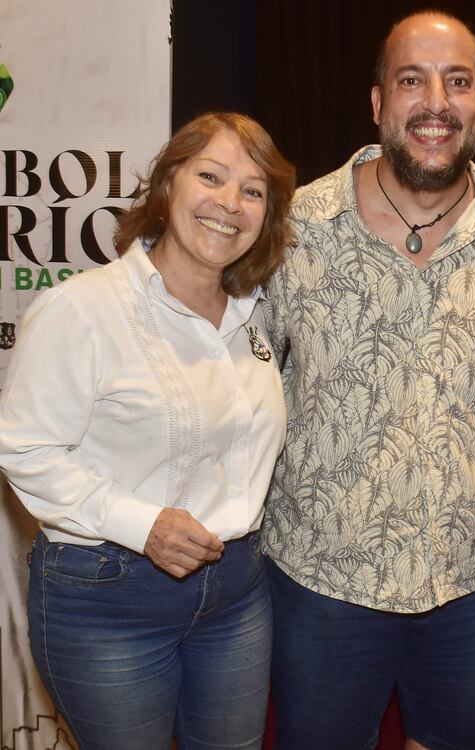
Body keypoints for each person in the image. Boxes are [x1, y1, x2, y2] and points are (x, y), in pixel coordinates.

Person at [261, 10, 475, 750]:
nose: (436, 102)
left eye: (458, 82)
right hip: (322, 580)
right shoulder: (292, 227)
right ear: (378, 102)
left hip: (472, 580)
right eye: (411, 80)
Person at [0, 112, 295, 750]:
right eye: (210, 177)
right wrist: (144, 523)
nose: (230, 203)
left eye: (252, 190)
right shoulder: (81, 309)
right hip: (107, 597)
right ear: (167, 186)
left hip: (237, 594)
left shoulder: (252, 316)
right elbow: (24, 450)